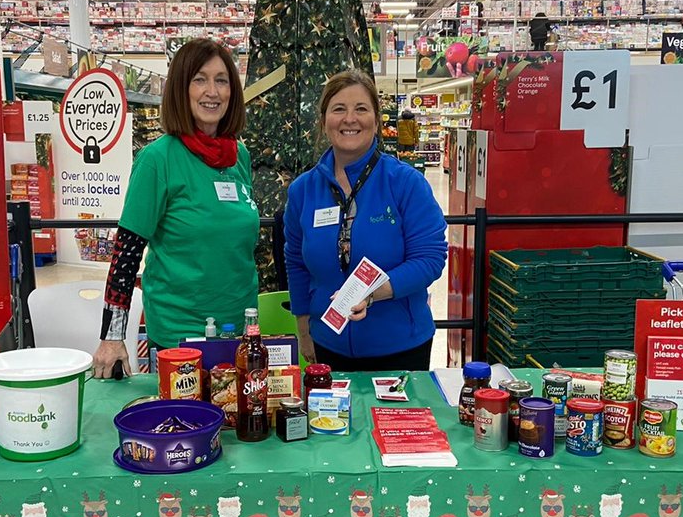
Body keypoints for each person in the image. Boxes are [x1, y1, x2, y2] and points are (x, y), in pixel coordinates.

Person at [93, 39, 259, 378]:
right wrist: (112, 337)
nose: (212, 91)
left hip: (240, 329)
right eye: (199, 79)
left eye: (222, 80)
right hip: (179, 335)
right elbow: (126, 254)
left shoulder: (238, 156)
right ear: (180, 89)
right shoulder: (158, 159)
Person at [284, 70, 447, 372]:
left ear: (376, 120)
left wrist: (373, 292)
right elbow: (296, 263)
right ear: (323, 121)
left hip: (400, 349)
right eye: (338, 109)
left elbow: (430, 259)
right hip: (327, 345)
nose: (350, 119)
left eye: (361, 108)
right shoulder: (302, 191)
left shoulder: (405, 183)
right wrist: (304, 330)